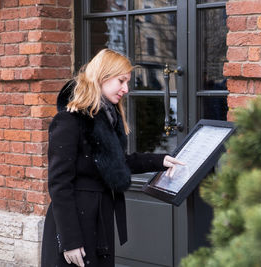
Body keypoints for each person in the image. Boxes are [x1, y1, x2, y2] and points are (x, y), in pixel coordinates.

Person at [41, 48, 183, 267]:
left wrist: (160, 161)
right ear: (103, 77)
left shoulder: (108, 118)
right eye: (121, 81)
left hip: (100, 218)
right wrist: (70, 240)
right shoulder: (69, 120)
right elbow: (59, 184)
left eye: (127, 82)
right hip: (76, 222)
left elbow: (117, 163)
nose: (126, 89)